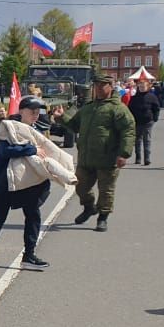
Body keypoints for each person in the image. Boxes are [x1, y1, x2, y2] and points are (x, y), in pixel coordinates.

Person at [0, 96, 72, 269]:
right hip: (9, 180)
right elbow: (5, 151)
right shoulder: (8, 127)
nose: (36, 115)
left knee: (33, 215)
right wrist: (32, 149)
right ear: (21, 111)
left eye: (38, 112)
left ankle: (29, 253)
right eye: (32, 112)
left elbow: (48, 149)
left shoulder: (38, 129)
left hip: (31, 181)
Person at [56, 75, 135, 232]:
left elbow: (128, 131)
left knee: (106, 190)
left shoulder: (117, 109)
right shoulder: (88, 107)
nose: (98, 88)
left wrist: (124, 154)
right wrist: (61, 118)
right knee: (80, 186)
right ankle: (89, 207)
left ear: (111, 87)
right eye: (96, 85)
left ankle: (102, 217)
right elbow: (75, 126)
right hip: (86, 158)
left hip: (108, 158)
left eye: (102, 85)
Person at [127, 79, 160, 166]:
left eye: (143, 86)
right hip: (137, 121)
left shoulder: (152, 97)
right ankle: (138, 157)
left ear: (148, 87)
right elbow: (129, 109)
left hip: (148, 121)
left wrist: (155, 118)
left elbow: (156, 108)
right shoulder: (134, 98)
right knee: (137, 140)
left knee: (147, 139)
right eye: (140, 86)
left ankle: (147, 158)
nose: (141, 88)